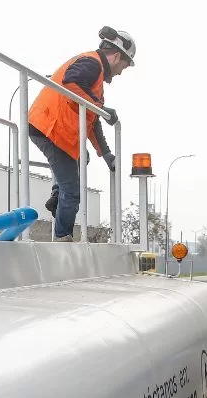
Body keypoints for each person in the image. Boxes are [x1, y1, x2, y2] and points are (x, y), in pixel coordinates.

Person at [28, 27, 134, 242]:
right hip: (50, 128)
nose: (121, 72)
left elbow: (92, 120)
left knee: (81, 157)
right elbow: (70, 82)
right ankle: (62, 238)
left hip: (56, 130)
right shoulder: (92, 63)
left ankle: (57, 196)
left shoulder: (96, 79)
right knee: (72, 191)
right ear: (116, 56)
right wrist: (99, 108)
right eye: (124, 66)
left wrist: (105, 153)